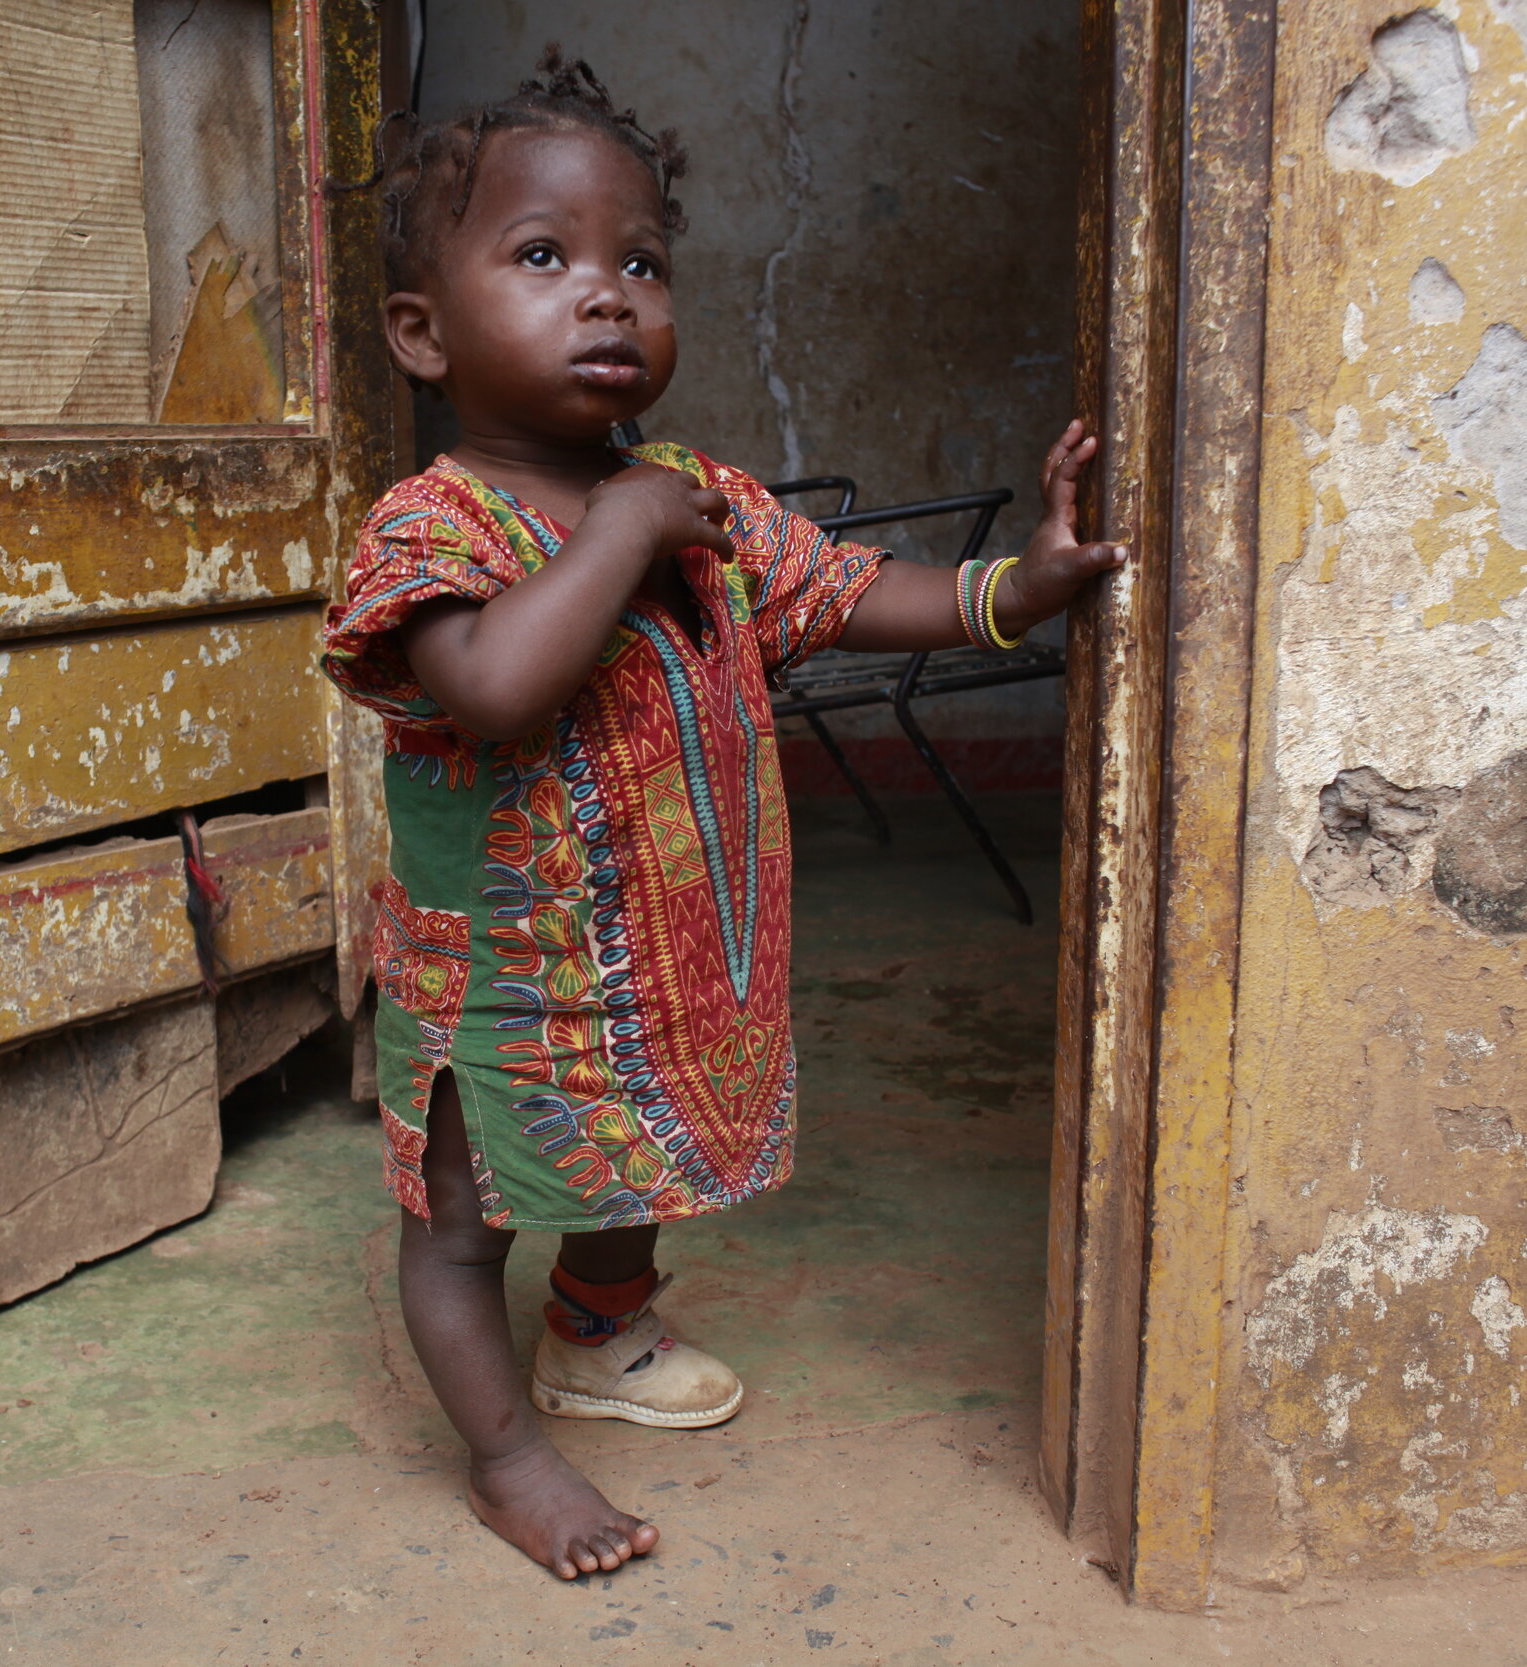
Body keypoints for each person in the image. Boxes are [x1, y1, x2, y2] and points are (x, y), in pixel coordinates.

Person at [319, 50, 1127, 1581]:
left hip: (669, 969)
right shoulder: (431, 526)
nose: (608, 295)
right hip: (503, 983)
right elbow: (491, 685)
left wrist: (1014, 590)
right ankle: (506, 1459)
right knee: (462, 1223)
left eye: (640, 262)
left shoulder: (699, 494)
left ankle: (599, 1332)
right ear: (423, 332)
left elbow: (840, 589)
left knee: (633, 1167)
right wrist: (621, 528)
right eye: (544, 257)